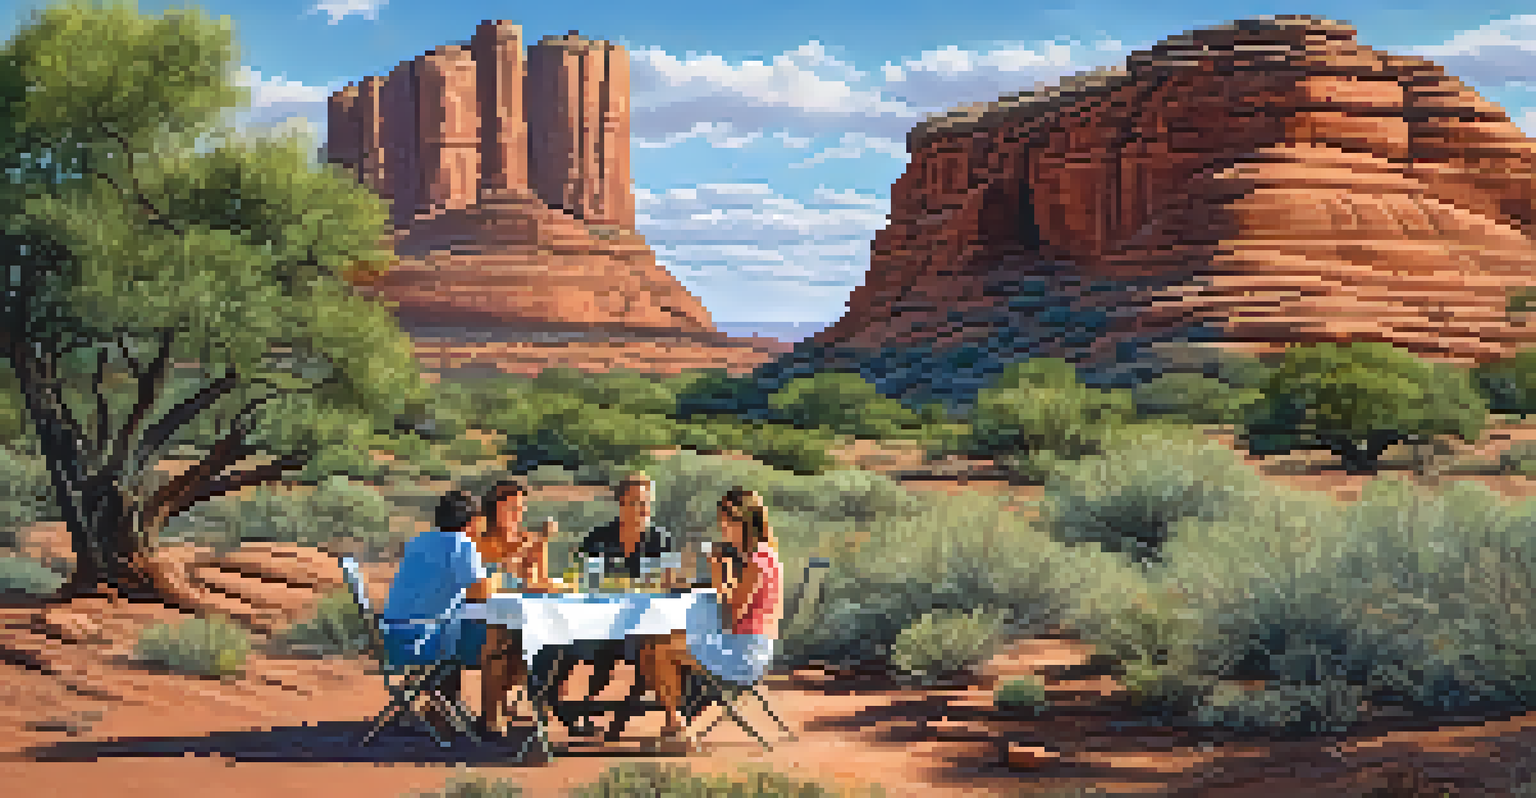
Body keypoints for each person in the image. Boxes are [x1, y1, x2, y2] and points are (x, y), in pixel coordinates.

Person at [635, 487, 783, 750]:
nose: (723, 523)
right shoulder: (760, 556)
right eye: (721, 515)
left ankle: (679, 731)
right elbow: (735, 605)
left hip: (745, 654)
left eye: (729, 516)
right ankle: (675, 725)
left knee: (659, 649)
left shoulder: (758, 560)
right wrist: (723, 574)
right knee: (651, 643)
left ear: (747, 520)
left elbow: (731, 614)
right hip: (741, 643)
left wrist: (718, 574)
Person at [543, 472, 677, 736]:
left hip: (642, 624)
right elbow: (575, 576)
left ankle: (616, 717)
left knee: (644, 653)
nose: (643, 509)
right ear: (621, 504)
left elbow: (667, 585)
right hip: (597, 621)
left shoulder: (661, 539)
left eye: (647, 502)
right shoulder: (598, 537)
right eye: (636, 502)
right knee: (561, 649)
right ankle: (559, 712)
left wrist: (623, 586)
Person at [379, 489, 494, 739]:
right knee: (502, 644)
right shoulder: (462, 544)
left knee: (457, 630)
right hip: (423, 641)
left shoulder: (420, 540)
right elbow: (482, 592)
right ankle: (490, 719)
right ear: (472, 520)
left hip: (392, 638)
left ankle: (443, 708)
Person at [473, 478, 557, 737]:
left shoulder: (529, 539)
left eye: (520, 509)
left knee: (544, 638)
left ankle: (509, 702)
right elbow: (491, 579)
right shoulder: (479, 541)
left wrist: (538, 547)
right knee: (500, 637)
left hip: (519, 616)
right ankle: (491, 714)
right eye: (510, 508)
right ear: (493, 509)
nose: (516, 515)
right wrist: (530, 547)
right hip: (479, 617)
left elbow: (538, 580)